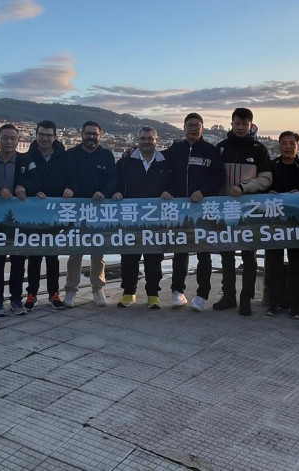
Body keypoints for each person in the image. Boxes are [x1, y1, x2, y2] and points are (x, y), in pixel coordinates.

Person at [214, 107, 272, 316]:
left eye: (244, 124)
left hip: (249, 210)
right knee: (226, 254)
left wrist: (245, 187)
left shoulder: (259, 149)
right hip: (225, 209)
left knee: (249, 255)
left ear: (251, 125)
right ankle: (228, 295)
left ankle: (246, 297)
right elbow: (211, 175)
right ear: (231, 124)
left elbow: (266, 178)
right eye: (236, 123)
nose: (240, 127)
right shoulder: (221, 148)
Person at [164, 112, 224, 312]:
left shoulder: (211, 151)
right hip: (180, 209)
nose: (193, 128)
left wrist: (203, 192)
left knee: (204, 252)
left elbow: (218, 178)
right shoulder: (174, 150)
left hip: (203, 208)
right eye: (189, 125)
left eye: (196, 125)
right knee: (180, 250)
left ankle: (202, 294)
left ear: (202, 128)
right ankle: (177, 291)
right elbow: (160, 167)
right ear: (183, 127)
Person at [113, 126, 173, 309]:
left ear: (156, 140)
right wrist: (115, 192)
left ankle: (153, 294)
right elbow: (115, 181)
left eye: (150, 138)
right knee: (129, 256)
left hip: (156, 218)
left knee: (154, 256)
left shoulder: (166, 162)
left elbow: (174, 184)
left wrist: (169, 192)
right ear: (137, 141)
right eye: (143, 138)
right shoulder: (125, 162)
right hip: (130, 217)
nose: (146, 141)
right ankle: (128, 292)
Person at [20, 120, 74, 310]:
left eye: (48, 135)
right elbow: (23, 180)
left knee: (53, 256)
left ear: (54, 136)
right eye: (41, 134)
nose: (44, 138)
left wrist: (70, 188)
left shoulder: (64, 157)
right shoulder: (27, 156)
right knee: (34, 256)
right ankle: (31, 294)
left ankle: (54, 293)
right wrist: (34, 192)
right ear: (36, 135)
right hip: (35, 212)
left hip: (57, 212)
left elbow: (72, 178)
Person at [63, 121, 117, 308]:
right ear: (82, 134)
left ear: (100, 135)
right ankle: (70, 291)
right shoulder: (71, 154)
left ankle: (98, 289)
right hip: (76, 211)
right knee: (75, 253)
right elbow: (68, 177)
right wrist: (70, 188)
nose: (91, 137)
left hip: (99, 210)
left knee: (98, 252)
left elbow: (113, 178)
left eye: (95, 134)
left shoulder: (107, 155)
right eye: (88, 133)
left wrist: (105, 192)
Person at [264, 131, 299, 318]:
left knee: (296, 266)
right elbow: (260, 191)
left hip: (297, 226)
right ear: (279, 145)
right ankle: (274, 303)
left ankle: (295, 304)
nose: (288, 146)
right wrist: (268, 193)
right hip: (274, 224)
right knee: (274, 265)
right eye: (284, 143)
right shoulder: (270, 167)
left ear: (298, 146)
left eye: (291, 143)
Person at [0, 123, 29, 316]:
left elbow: (35, 182)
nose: (9, 141)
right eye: (5, 138)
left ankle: (16, 299)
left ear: (18, 140)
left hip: (20, 220)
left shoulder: (26, 162)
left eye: (13, 138)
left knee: (19, 261)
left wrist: (21, 185)